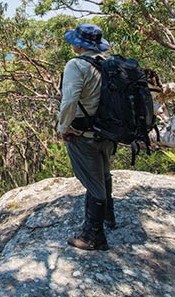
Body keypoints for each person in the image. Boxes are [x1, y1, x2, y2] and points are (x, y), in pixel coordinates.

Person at [57, 23, 116, 251]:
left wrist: (64, 127)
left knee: (94, 183)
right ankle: (108, 218)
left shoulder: (77, 65)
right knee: (104, 173)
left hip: (84, 133)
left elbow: (69, 100)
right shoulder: (108, 63)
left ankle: (93, 235)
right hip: (108, 131)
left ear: (79, 44)